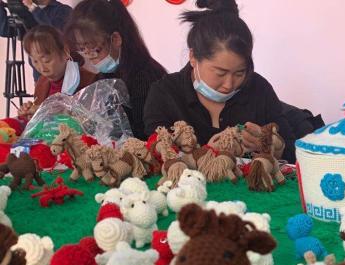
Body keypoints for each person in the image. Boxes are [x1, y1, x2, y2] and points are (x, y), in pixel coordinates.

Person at [143, 0, 296, 161]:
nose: (229, 85)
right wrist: (205, 154)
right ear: (193, 57)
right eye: (220, 73)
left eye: (239, 73)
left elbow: (294, 154)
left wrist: (275, 147)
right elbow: (156, 157)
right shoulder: (165, 94)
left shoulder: (259, 89)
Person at [64, 0, 167, 139]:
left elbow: (145, 137)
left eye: (94, 49)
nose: (90, 58)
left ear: (116, 39)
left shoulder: (145, 77)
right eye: (82, 49)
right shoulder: (106, 74)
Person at [18, 25, 96, 120]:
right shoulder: (42, 83)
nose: (41, 68)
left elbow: (88, 119)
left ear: (65, 52)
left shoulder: (88, 81)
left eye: (46, 60)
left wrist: (43, 111)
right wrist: (30, 113)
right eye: (35, 61)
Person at [0, 0, 73, 81]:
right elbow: (5, 30)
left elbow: (53, 32)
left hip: (64, 75)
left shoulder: (63, 10)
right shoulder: (26, 11)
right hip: (39, 76)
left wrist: (33, 8)